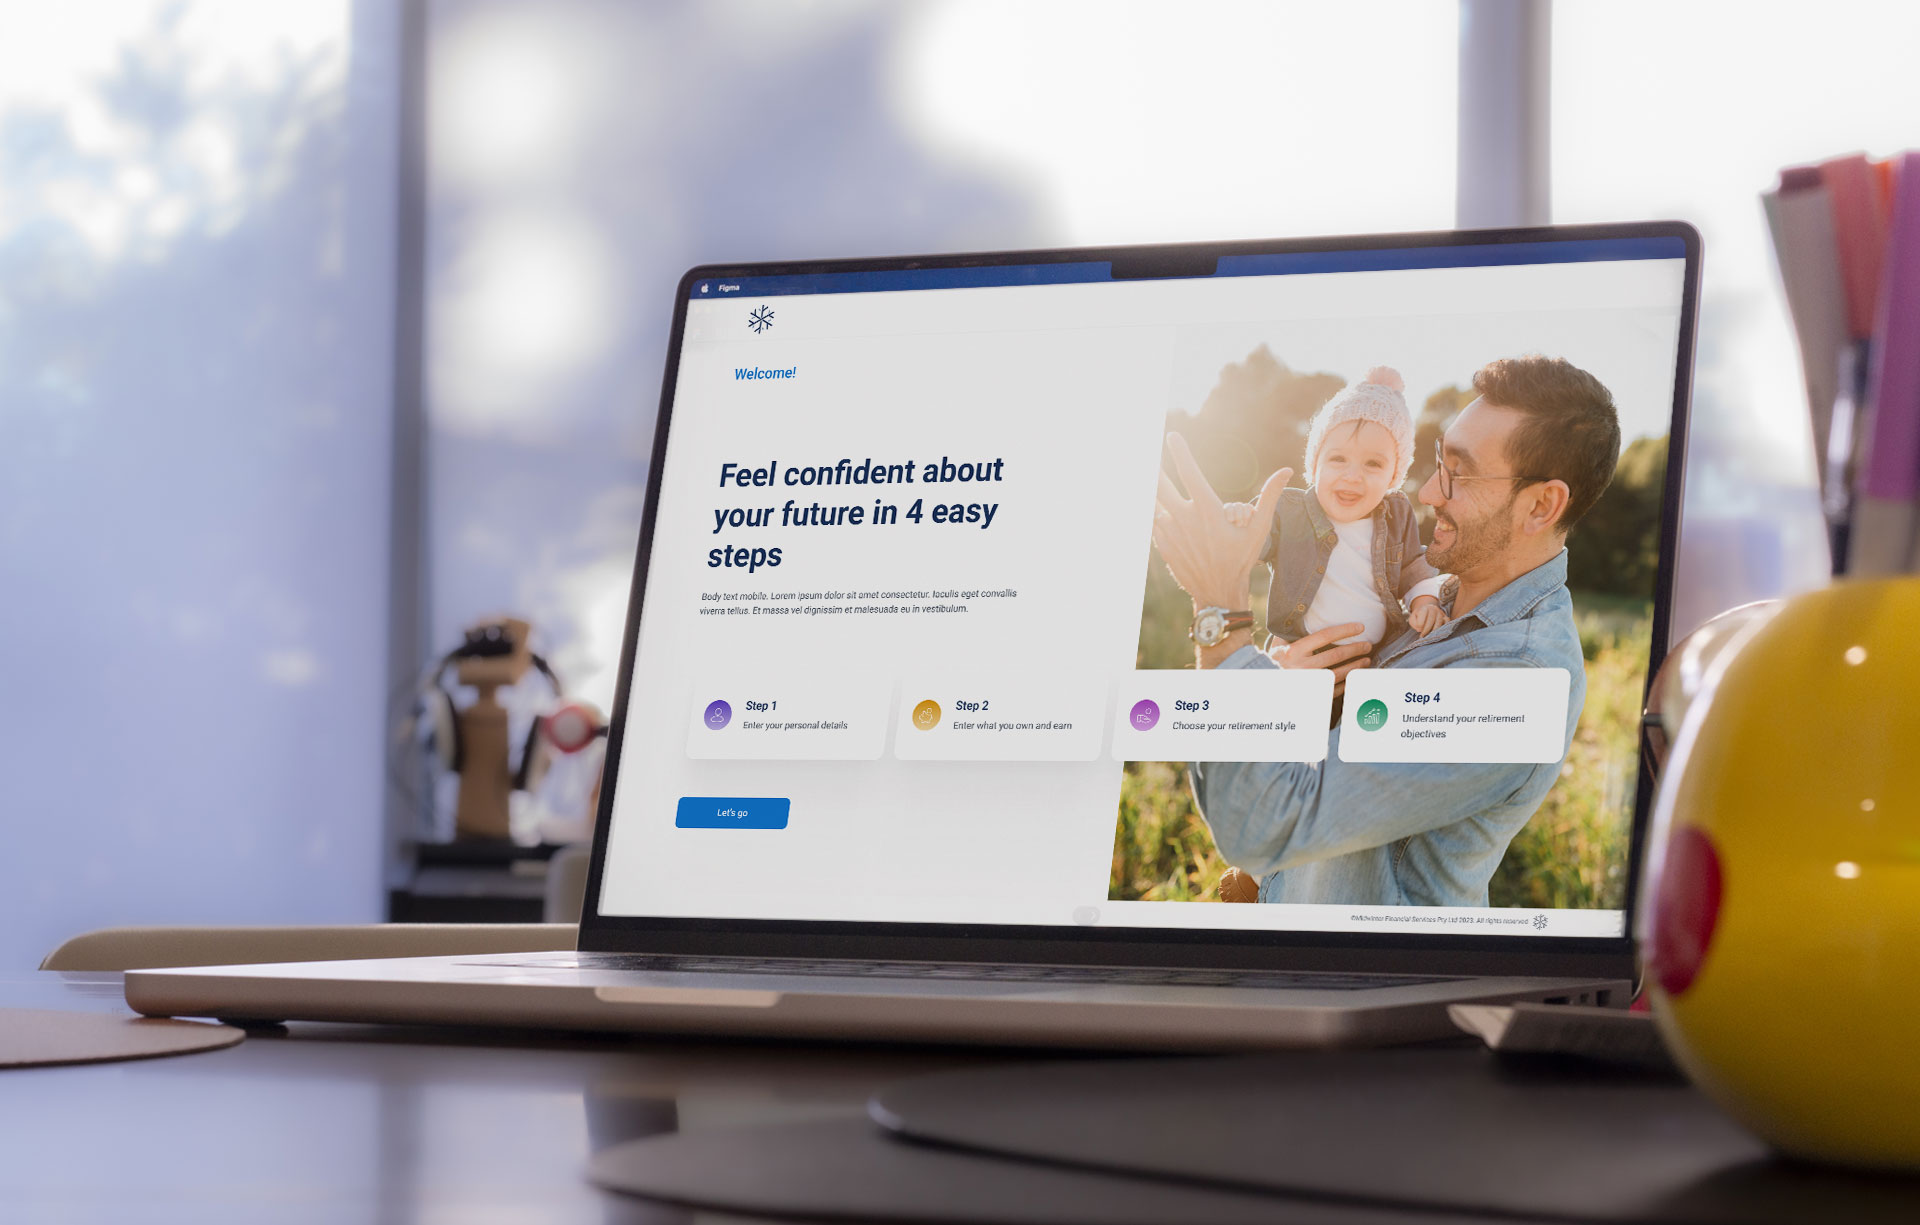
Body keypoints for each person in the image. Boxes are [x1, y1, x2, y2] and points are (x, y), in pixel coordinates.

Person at [1151, 355, 1621, 907]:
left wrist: (1220, 611)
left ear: (1542, 505)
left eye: (1458, 473)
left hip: (1358, 987)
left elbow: (1267, 827)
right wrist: (1273, 688)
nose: (1427, 495)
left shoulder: (1517, 675)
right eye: (1438, 463)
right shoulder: (1433, 599)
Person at [1221, 366, 1447, 651]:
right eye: (1338, 459)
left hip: (1375, 657)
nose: (1352, 476)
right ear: (1315, 466)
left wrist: (1425, 603)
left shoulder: (1396, 515)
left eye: (1373, 464)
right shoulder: (1290, 512)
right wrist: (1239, 521)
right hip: (1300, 653)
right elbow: (1250, 546)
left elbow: (1414, 568)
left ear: (1393, 476)